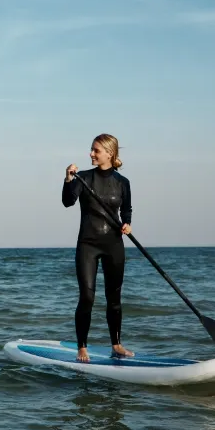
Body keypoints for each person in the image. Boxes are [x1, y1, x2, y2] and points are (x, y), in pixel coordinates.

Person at [62, 133, 134, 363]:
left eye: (96, 150)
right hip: (88, 245)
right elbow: (67, 201)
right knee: (87, 297)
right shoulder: (83, 178)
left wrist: (127, 224)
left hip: (113, 244)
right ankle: (82, 346)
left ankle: (117, 345)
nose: (91, 154)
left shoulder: (123, 183)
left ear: (109, 153)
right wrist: (68, 179)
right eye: (91, 150)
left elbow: (127, 210)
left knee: (114, 298)